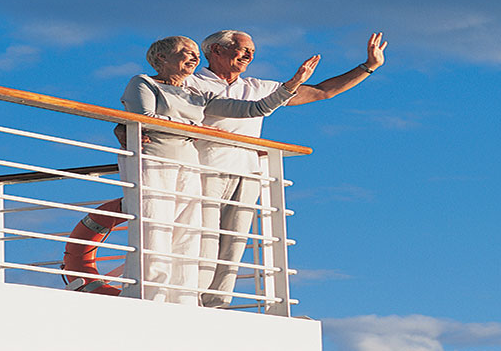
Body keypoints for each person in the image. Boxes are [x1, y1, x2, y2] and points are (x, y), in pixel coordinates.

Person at [184, 30, 387, 307]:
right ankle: (190, 298)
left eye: (252, 51)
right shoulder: (190, 81)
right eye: (242, 49)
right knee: (203, 236)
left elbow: (321, 91)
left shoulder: (258, 86)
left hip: (247, 170)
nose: (249, 55)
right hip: (204, 167)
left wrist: (368, 67)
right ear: (216, 50)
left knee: (234, 242)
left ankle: (216, 304)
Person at [111, 36, 318, 305]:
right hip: (154, 160)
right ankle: (147, 298)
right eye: (185, 52)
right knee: (155, 230)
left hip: (189, 164)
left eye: (196, 52)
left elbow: (256, 109)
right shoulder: (143, 82)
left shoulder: (198, 94)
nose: (194, 57)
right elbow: (144, 120)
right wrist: (196, 128)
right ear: (161, 57)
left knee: (189, 235)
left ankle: (183, 300)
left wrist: (292, 84)